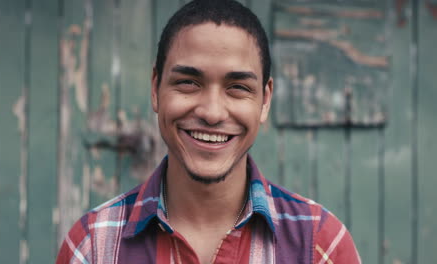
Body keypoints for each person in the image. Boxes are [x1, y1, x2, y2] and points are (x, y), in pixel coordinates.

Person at [56, 0, 361, 263]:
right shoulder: (93, 245)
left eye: (238, 87)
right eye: (189, 83)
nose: (212, 112)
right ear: (155, 88)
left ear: (265, 100)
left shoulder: (321, 245)